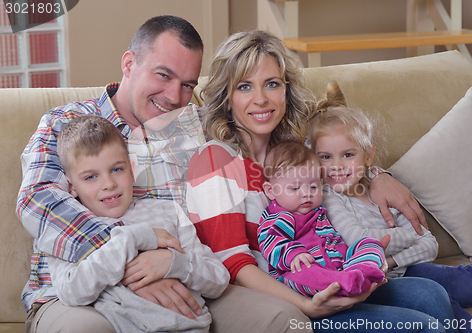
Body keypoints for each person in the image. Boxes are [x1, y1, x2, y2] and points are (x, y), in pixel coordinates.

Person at [18, 16, 311, 333]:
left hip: (189, 283)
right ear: (129, 63)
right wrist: (130, 261)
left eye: (187, 85)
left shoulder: (201, 125)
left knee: (287, 322)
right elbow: (39, 201)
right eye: (163, 75)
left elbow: (273, 142)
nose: (174, 96)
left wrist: (364, 177)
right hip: (81, 294)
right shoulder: (67, 123)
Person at [186, 29, 458, 332]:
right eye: (245, 86)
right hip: (290, 290)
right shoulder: (214, 160)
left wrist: (379, 175)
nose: (261, 99)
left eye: (272, 84)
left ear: (286, 91)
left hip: (336, 271)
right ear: (226, 97)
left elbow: (346, 168)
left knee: (432, 295)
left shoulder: (293, 149)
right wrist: (306, 306)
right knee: (422, 325)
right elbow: (234, 264)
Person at [309, 82, 472, 333]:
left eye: (347, 155)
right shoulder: (329, 197)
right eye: (325, 157)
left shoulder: (383, 192)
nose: (336, 166)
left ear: (368, 156)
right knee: (442, 298)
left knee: (465, 287)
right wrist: (410, 237)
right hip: (376, 282)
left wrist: (389, 260)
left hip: (405, 269)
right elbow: (359, 240)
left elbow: (430, 245)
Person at [47, 115, 229, 333]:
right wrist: (132, 238)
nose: (109, 184)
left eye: (116, 169)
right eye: (90, 177)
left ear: (132, 170)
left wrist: (175, 263)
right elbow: (72, 291)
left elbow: (218, 279)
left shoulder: (167, 211)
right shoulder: (66, 227)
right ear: (72, 186)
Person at [257, 139, 386, 297]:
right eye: (295, 188)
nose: (307, 193)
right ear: (271, 191)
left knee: (370, 243)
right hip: (303, 271)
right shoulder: (282, 216)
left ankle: (360, 273)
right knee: (303, 273)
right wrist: (293, 255)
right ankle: (345, 283)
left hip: (341, 265)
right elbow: (270, 241)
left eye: (313, 186)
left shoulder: (318, 211)